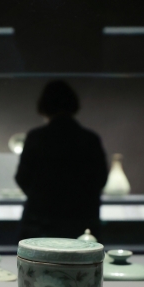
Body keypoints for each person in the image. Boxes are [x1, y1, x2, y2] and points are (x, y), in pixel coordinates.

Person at [15, 80, 108, 240]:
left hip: (41, 220)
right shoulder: (89, 138)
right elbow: (100, 178)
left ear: (43, 106)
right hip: (81, 219)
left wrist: (42, 198)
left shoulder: (36, 137)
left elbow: (22, 177)